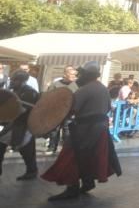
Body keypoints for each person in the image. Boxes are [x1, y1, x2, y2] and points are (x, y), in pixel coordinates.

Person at [42, 62, 121, 200]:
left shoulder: (84, 90)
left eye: (81, 74)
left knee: (71, 156)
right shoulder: (103, 88)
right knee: (89, 157)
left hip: (85, 129)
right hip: (100, 128)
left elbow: (71, 109)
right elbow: (108, 108)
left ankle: (72, 188)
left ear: (87, 75)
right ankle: (87, 182)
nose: (79, 76)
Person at [0, 70, 40, 181]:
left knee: (27, 149)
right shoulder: (15, 90)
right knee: (1, 143)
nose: (12, 81)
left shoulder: (30, 92)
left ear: (21, 81)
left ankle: (32, 171)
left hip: (25, 125)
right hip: (14, 124)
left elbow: (22, 110)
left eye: (14, 80)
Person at [44, 66, 77, 153]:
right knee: (54, 130)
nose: (74, 76)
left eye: (75, 75)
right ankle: (52, 147)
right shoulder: (55, 84)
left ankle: (66, 150)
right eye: (72, 74)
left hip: (69, 112)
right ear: (65, 74)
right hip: (56, 112)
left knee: (67, 131)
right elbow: (48, 97)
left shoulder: (76, 85)